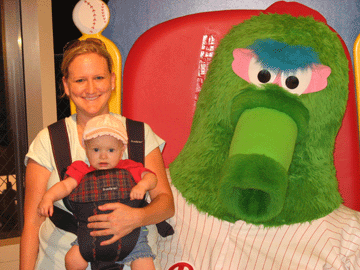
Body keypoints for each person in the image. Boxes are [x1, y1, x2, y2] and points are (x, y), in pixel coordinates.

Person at [20, 38, 175, 270]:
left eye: (99, 78)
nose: (91, 89)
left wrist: (136, 218)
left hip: (134, 254)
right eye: (80, 80)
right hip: (61, 260)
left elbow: (166, 204)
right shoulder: (49, 140)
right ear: (66, 85)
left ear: (113, 81)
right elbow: (33, 221)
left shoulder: (138, 135)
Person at [37, 114, 157, 270]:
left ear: (122, 150)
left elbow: (152, 178)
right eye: (96, 149)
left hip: (131, 236)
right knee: (72, 260)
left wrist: (142, 186)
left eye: (111, 150)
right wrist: (48, 197)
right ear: (86, 149)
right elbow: (65, 186)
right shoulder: (81, 169)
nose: (103, 156)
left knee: (144, 264)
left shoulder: (130, 167)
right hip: (90, 234)